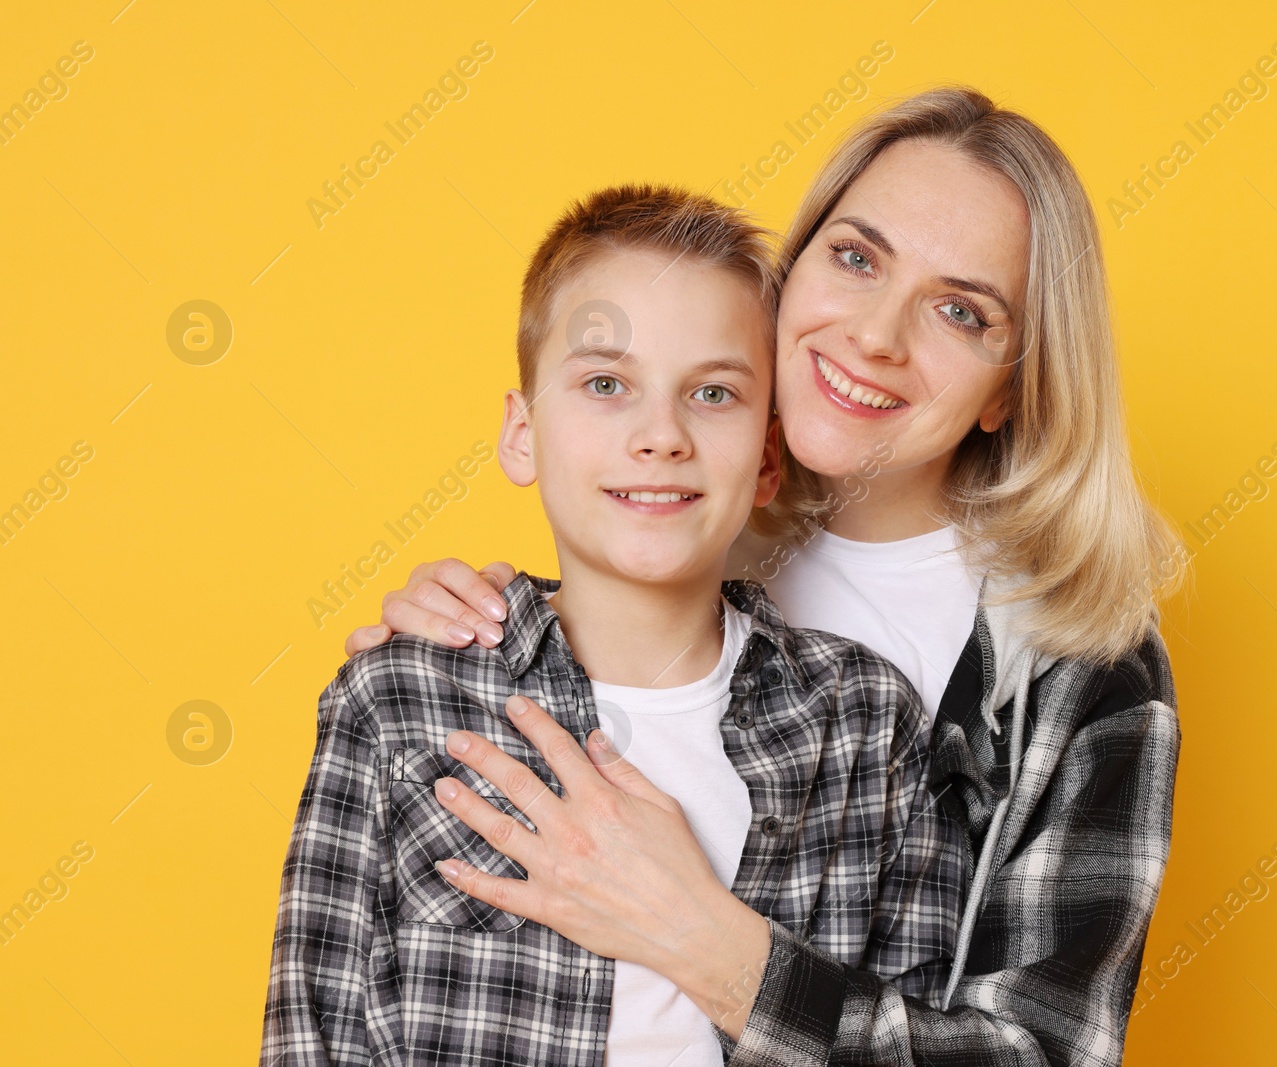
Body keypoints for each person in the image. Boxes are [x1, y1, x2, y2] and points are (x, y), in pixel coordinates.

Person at [344, 86, 1190, 1065]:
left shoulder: (1079, 665)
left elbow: (1043, 1052)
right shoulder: (683, 508)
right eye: (856, 257)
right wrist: (474, 630)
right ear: (788, 277)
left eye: (960, 311)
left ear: (1011, 385)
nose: (877, 333)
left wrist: (706, 940)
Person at [260, 184, 962, 1067]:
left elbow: (910, 1038)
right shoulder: (400, 700)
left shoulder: (863, 724)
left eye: (712, 393)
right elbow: (313, 1035)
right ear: (523, 434)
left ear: (768, 459)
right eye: (604, 384)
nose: (660, 434)